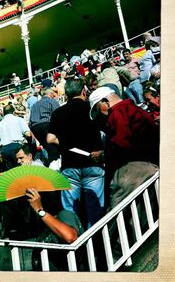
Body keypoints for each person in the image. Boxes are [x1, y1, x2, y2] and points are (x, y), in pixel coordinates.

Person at [47, 78, 105, 228]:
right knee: (95, 209)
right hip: (93, 163)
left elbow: (50, 138)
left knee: (70, 212)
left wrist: (66, 144)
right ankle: (98, 243)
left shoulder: (58, 113)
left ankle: (75, 244)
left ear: (66, 95)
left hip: (69, 165)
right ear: (84, 91)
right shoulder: (91, 109)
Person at [88, 86, 159, 208]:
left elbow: (121, 143)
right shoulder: (136, 109)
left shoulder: (117, 112)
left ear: (105, 102)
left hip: (132, 172)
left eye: (97, 109)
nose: (100, 114)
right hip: (150, 166)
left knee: (119, 216)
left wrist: (102, 155)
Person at [26, 188, 84, 271]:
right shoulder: (42, 231)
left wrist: (40, 211)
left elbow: (70, 237)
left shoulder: (63, 215)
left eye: (32, 202)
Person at [0, 104, 32, 169]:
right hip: (17, 147)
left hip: (4, 150)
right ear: (13, 112)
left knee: (12, 173)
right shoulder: (19, 119)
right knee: (24, 170)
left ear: (3, 113)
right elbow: (28, 134)